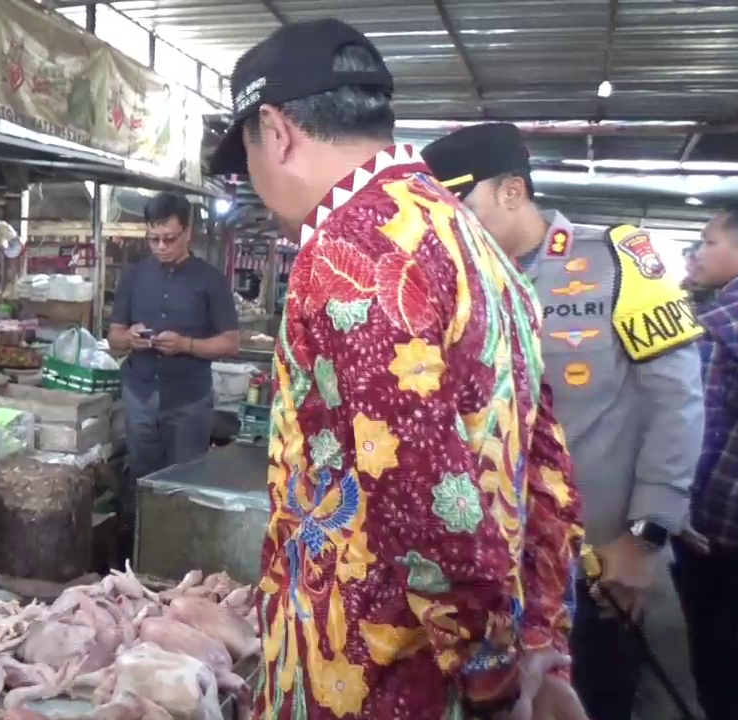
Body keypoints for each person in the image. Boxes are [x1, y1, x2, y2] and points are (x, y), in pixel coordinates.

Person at [210, 19, 586, 719]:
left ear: (277, 129)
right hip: (471, 653)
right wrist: (535, 636)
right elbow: (547, 467)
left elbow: (420, 491)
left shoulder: (349, 251)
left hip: (374, 677)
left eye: (249, 156)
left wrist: (485, 671)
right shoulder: (480, 246)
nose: (256, 183)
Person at [422, 123, 705, 720]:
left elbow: (676, 400)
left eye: (460, 208)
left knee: (590, 698)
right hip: (486, 570)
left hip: (595, 562)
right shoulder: (451, 281)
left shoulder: (618, 262)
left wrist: (647, 536)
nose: (450, 229)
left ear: (511, 192)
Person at [107, 192, 240, 481]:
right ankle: (138, 527)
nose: (161, 246)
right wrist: (130, 338)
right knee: (140, 479)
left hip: (188, 403)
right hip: (139, 397)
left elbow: (231, 342)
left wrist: (186, 345)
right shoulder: (133, 276)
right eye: (153, 239)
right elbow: (113, 337)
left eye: (169, 238)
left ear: (187, 232)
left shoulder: (211, 280)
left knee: (184, 482)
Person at [677, 205, 738, 720]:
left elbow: (692, 423)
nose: (695, 253)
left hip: (723, 519)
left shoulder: (725, 320)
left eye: (707, 242)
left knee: (714, 634)